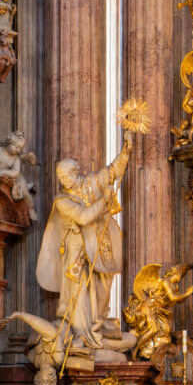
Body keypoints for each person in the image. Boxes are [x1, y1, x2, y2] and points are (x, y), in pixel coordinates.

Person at [36, 134, 132, 348]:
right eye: (61, 177)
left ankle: (99, 323)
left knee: (102, 287)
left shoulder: (88, 184)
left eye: (67, 175)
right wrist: (104, 201)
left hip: (99, 245)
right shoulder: (61, 201)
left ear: (75, 172)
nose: (64, 180)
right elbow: (83, 217)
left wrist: (126, 151)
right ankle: (83, 333)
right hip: (77, 251)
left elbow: (112, 172)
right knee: (80, 293)